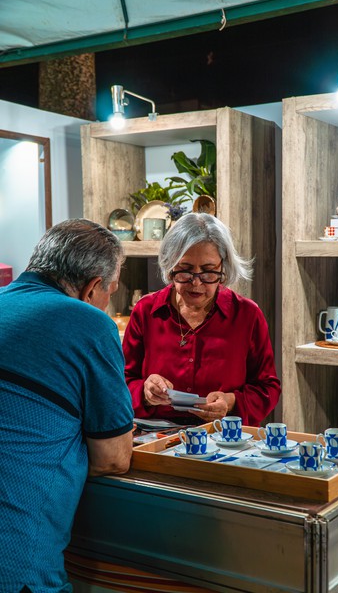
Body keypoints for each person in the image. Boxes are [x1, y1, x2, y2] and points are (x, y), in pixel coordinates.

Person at [0, 219, 134, 592]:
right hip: (17, 565)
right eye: (111, 291)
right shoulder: (90, 323)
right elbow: (113, 458)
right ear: (92, 288)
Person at [123, 212, 280, 426]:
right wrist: (144, 392)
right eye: (185, 271)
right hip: (155, 435)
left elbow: (268, 389)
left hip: (223, 435)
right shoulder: (146, 311)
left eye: (208, 273)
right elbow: (121, 381)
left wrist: (230, 402)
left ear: (223, 268)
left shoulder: (247, 315)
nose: (196, 283)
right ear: (170, 267)